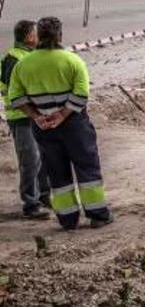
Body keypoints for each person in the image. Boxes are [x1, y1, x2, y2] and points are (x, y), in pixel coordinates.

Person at [7, 17, 112, 230]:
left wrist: (36, 115)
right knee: (87, 168)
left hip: (43, 128)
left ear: (39, 37)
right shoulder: (72, 60)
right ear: (59, 35)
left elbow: (15, 97)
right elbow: (82, 93)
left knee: (56, 171)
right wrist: (63, 115)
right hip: (74, 124)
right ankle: (98, 214)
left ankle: (67, 219)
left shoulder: (23, 65)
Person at [1, 20, 50, 219]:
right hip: (21, 117)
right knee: (30, 161)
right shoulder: (14, 58)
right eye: (36, 33)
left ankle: (44, 196)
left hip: (37, 115)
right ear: (29, 36)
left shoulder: (31, 56)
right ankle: (31, 204)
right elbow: (13, 91)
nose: (39, 37)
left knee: (43, 158)